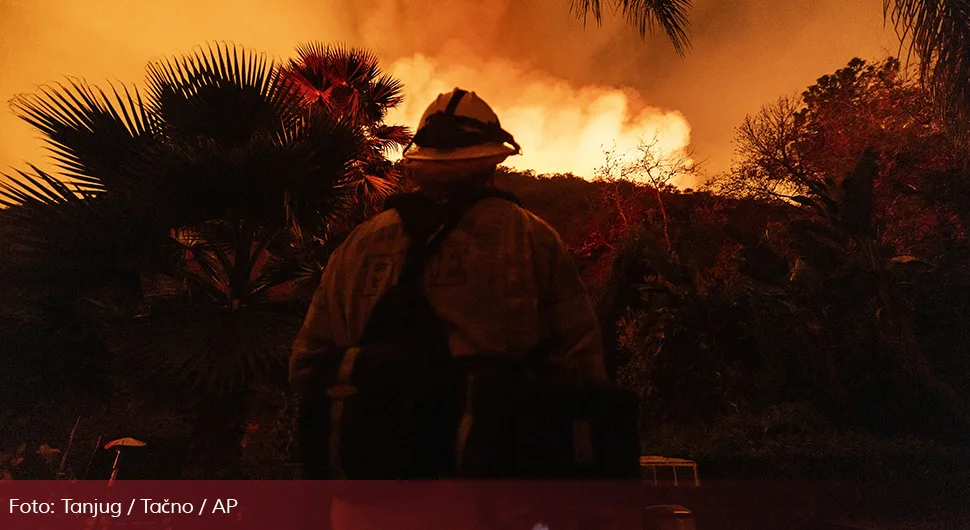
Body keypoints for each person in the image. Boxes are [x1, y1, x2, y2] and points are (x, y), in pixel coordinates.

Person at [289, 88, 609, 528]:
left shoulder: (358, 244)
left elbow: (307, 366)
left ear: (423, 164)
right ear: (492, 163)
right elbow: (580, 369)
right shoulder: (528, 237)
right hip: (481, 499)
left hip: (358, 505)